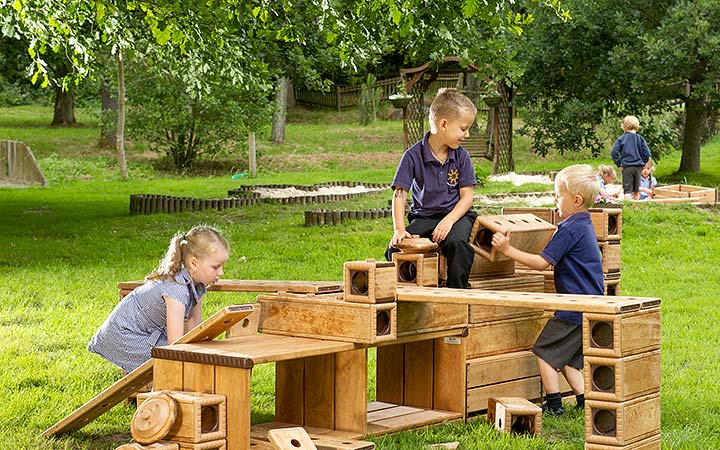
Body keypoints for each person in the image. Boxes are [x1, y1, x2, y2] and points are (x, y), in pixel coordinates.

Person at [491, 164, 604, 416]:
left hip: (573, 308)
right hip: (591, 306)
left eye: (559, 195)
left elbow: (543, 263)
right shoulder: (585, 225)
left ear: (576, 200)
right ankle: (586, 402)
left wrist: (507, 250)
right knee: (569, 362)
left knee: (544, 353)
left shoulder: (569, 229)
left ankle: (554, 405)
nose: (556, 200)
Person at [88, 225, 229, 372]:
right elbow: (175, 344)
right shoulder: (177, 288)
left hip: (148, 334)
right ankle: (165, 390)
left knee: (194, 358)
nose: (221, 272)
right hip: (124, 335)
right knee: (174, 362)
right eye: (216, 267)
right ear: (194, 263)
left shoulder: (197, 285)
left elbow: (194, 329)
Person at [385, 87, 478, 289]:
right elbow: (400, 194)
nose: (467, 134)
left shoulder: (461, 157)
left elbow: (467, 198)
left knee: (457, 244)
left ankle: (457, 293)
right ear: (443, 124)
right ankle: (410, 289)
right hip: (425, 218)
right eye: (463, 128)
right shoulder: (412, 156)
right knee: (393, 250)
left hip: (457, 216)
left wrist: (448, 221)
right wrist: (399, 230)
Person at [611, 115, 651, 201]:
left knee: (627, 188)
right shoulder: (640, 138)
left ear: (624, 127)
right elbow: (647, 153)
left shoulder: (621, 139)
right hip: (638, 166)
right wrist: (643, 162)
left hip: (627, 166)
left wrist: (619, 163)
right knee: (636, 188)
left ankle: (627, 205)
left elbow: (614, 152)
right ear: (637, 127)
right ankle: (636, 205)